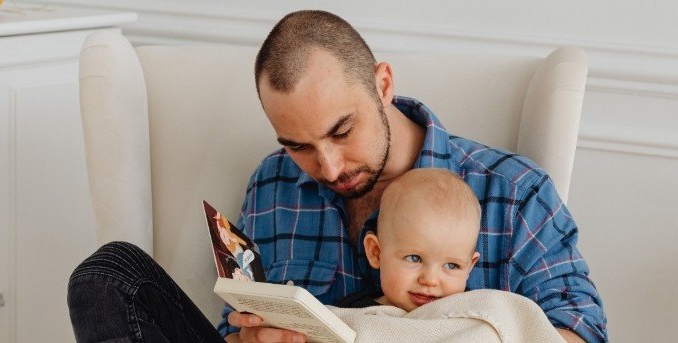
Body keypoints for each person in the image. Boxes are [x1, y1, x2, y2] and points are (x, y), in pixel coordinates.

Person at [67, 9, 606, 343]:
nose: (328, 168)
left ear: (383, 84)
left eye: (342, 131)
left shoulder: (512, 192)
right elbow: (240, 319)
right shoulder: (275, 185)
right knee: (108, 274)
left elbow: (581, 332)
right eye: (299, 145)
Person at [334, 168, 481, 312]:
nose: (430, 280)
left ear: (470, 266)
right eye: (414, 258)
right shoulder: (351, 313)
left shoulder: (471, 316)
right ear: (376, 252)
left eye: (451, 265)